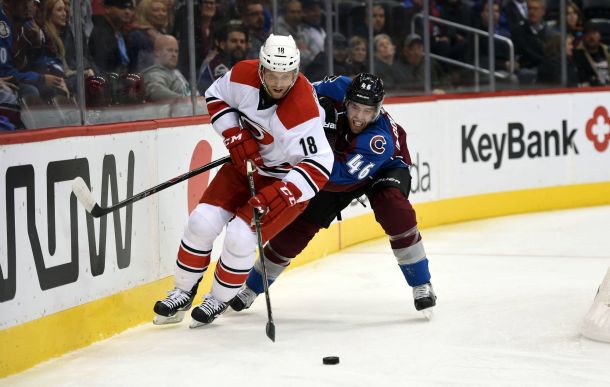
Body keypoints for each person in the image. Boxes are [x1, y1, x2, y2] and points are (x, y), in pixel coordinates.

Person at [152, 34, 334, 327]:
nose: (278, 83)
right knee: (201, 222)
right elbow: (215, 96)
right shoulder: (242, 74)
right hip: (246, 167)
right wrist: (234, 134)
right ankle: (182, 291)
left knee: (239, 236)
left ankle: (217, 299)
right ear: (262, 68)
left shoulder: (303, 112)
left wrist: (279, 194)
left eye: (285, 76)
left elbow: (320, 165)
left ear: (295, 72)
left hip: (284, 182)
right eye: (272, 74)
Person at [229, 72, 436, 315]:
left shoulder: (378, 141)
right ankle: (252, 287)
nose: (359, 117)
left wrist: (312, 143)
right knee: (297, 228)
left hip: (380, 167)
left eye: (368, 111)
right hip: (333, 160)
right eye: (355, 108)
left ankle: (422, 283)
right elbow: (292, 97)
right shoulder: (334, 87)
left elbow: (333, 178)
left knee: (394, 208)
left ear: (378, 109)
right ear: (346, 99)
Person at [197, 24, 248, 95]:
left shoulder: (245, 65)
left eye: (242, 42)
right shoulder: (216, 65)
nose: (239, 45)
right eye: (234, 41)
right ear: (222, 45)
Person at [89, 0, 133, 75]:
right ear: (107, 9)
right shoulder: (100, 33)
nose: (127, 12)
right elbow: (102, 67)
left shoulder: (121, 32)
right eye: (122, 7)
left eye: (130, 8)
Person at [142, 34, 190, 101]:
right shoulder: (154, 74)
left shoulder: (175, 72)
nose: (174, 54)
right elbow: (156, 91)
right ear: (157, 53)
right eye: (170, 50)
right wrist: (186, 100)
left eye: (176, 51)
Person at [573, 22, 610, 87]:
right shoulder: (577, 54)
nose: (591, 37)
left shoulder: (607, 50)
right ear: (583, 36)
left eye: (594, 33)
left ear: (599, 35)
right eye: (588, 34)